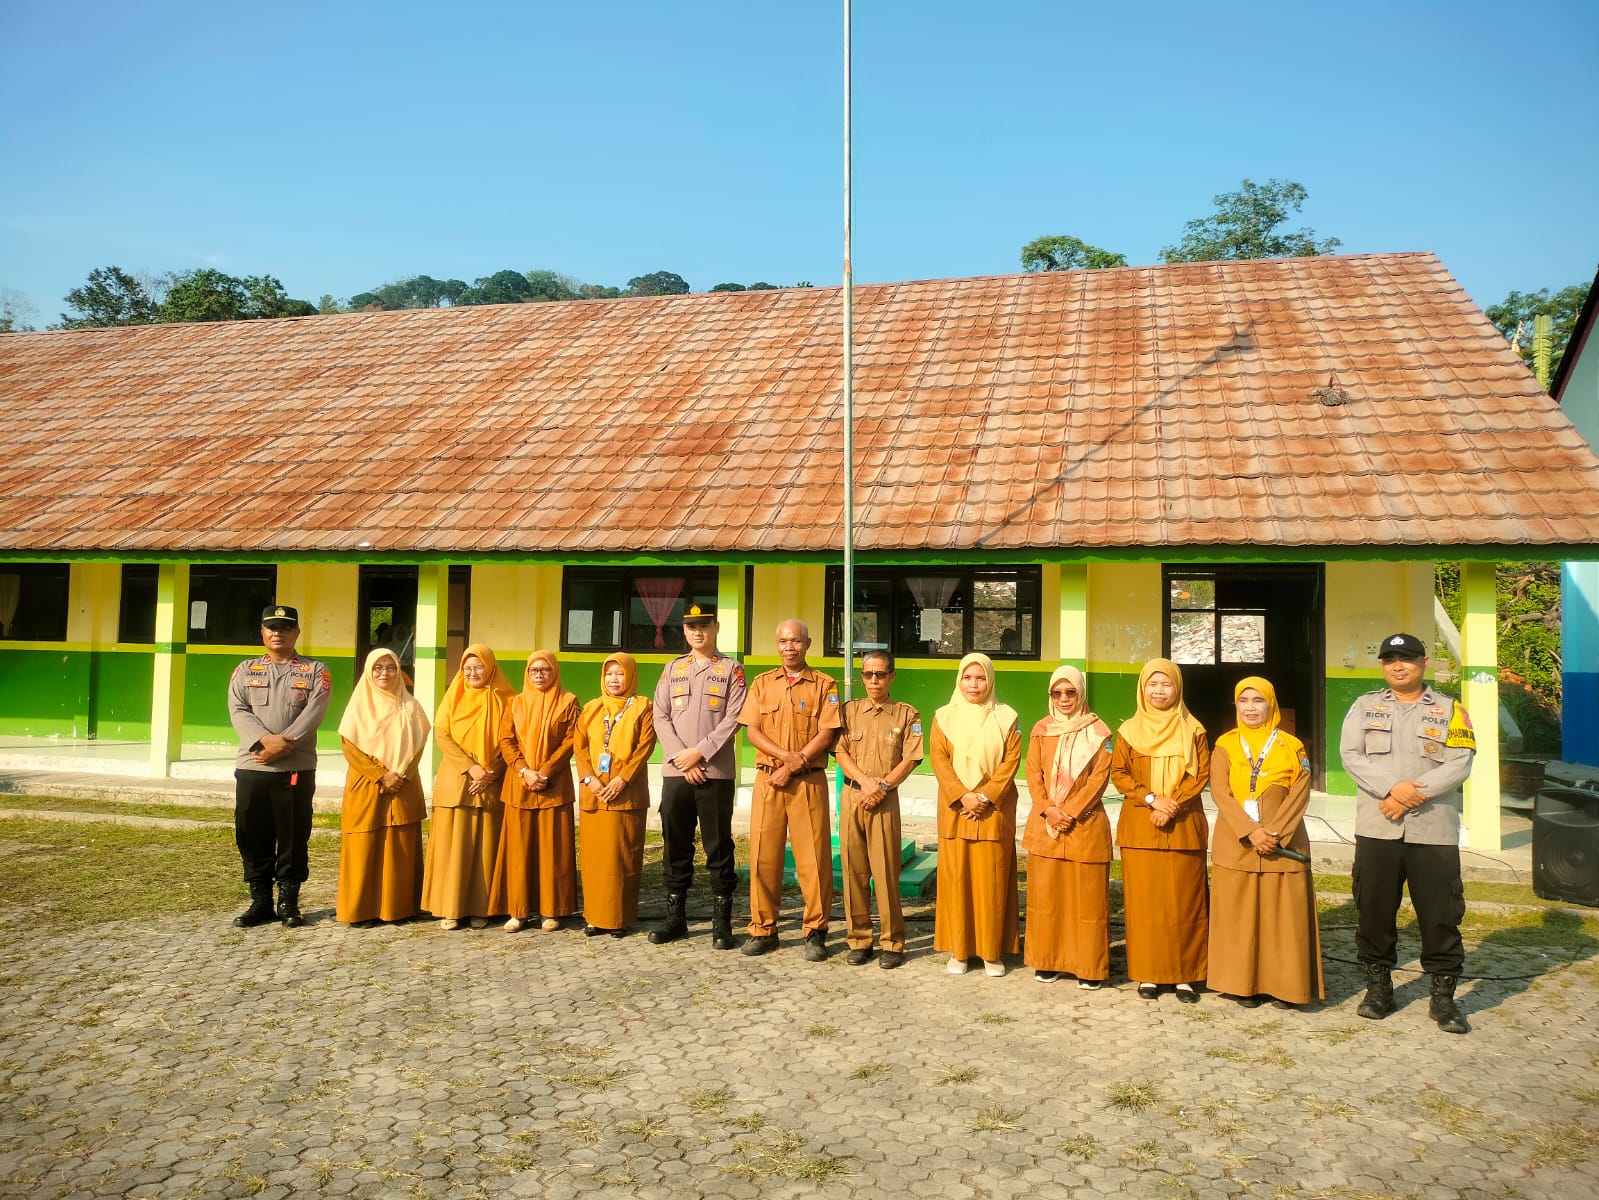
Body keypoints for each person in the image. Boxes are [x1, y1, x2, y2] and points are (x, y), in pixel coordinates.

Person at [1340, 632, 1476, 1034]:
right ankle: (1379, 991)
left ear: (1424, 663)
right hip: (1377, 829)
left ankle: (1443, 1000)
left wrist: (1410, 796)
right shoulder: (1364, 707)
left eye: (1407, 658)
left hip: (1433, 831)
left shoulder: (1451, 710)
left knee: (1440, 916)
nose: (1398, 666)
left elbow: (1461, 762)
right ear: (1383, 665)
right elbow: (1351, 755)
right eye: (1390, 659)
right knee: (1374, 911)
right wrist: (1391, 789)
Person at [1208, 677, 1325, 1008]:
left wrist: (1274, 834)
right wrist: (1250, 831)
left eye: (1258, 700)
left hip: (1283, 844)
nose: (1250, 708)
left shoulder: (1292, 745)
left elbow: (1300, 793)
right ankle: (1240, 984)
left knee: (1282, 917)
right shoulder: (1226, 744)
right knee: (1238, 915)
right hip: (1237, 841)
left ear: (1271, 704)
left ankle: (1285, 986)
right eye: (1243, 701)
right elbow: (1220, 792)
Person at [738, 618, 842, 960]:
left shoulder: (825, 685)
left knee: (813, 859)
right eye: (783, 641)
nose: (789, 647)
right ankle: (763, 929)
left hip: (808, 782)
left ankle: (815, 931)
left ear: (808, 644)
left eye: (796, 641)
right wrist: (785, 760)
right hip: (769, 780)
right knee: (762, 857)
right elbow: (752, 731)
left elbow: (826, 734)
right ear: (776, 644)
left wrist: (795, 765)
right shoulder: (762, 683)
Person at [1112, 657, 1211, 1002]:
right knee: (1145, 906)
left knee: (1185, 904)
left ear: (1177, 688)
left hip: (1182, 827)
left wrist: (1171, 805)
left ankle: (1185, 976)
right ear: (1142, 688)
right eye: (1152, 684)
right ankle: (1148, 974)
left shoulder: (1194, 730)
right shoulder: (1128, 731)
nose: (1159, 691)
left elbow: (1200, 774)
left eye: (1166, 684)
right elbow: (1119, 773)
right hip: (1141, 827)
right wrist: (1152, 800)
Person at [227, 604, 332, 929]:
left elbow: (314, 712)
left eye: (285, 627)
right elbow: (238, 709)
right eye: (272, 627)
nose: (278, 633)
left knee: (293, 835)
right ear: (262, 632)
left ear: (296, 632)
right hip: (253, 765)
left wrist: (283, 745)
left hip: (295, 767)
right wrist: (263, 742)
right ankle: (260, 901)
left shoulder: (315, 671)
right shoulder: (245, 670)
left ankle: (288, 902)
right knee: (251, 834)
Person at [649, 603, 747, 948]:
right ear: (685, 630)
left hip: (715, 773)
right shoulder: (672, 668)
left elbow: (734, 718)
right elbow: (659, 716)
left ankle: (722, 923)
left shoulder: (732, 669)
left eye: (704, 625)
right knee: (675, 844)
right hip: (677, 771)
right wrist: (683, 758)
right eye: (691, 627)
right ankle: (675, 919)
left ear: (716, 627)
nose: (698, 632)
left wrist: (700, 753)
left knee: (718, 845)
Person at [929, 652, 1022, 977]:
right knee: (957, 881)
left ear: (990, 680)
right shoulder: (943, 717)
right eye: (967, 678)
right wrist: (963, 795)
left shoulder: (1007, 718)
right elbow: (939, 760)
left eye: (980, 678)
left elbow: (1011, 762)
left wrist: (985, 795)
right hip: (957, 810)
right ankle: (959, 951)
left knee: (991, 882)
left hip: (993, 811)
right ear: (959, 680)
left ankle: (991, 952)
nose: (973, 684)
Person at [1021, 665, 1113, 987]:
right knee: (1047, 898)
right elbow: (1032, 773)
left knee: (1086, 900)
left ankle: (1088, 966)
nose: (1063, 698)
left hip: (1084, 825)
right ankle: (1047, 961)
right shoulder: (1041, 730)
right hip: (1045, 825)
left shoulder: (1099, 732)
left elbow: (1099, 778)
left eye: (1070, 692)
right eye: (1057, 693)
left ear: (1081, 693)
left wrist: (1069, 812)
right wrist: (1049, 809)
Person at [833, 650, 924, 969]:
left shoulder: (906, 715)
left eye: (880, 674)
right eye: (868, 674)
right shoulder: (848, 712)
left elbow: (911, 758)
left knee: (885, 873)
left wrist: (881, 788)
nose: (874, 680)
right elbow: (840, 752)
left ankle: (892, 942)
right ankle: (859, 940)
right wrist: (864, 783)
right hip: (853, 796)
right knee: (853, 872)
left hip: (885, 800)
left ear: (891, 677)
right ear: (862, 677)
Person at [421, 645, 515, 931]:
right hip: (456, 777)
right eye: (467, 668)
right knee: (453, 844)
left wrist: (490, 770)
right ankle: (450, 908)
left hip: (491, 779)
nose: (473, 673)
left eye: (479, 667)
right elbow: (442, 734)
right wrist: (470, 767)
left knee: (486, 845)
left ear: (491, 667)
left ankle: (482, 907)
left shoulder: (507, 699)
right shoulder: (454, 696)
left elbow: (512, 739)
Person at [335, 648, 431, 925]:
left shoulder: (410, 706)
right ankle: (360, 910)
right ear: (368, 671)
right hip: (367, 783)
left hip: (403, 784)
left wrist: (400, 775)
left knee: (399, 846)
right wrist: (380, 775)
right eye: (378, 668)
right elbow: (350, 748)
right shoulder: (358, 706)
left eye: (390, 667)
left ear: (399, 671)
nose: (384, 673)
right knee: (363, 842)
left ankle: (398, 908)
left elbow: (418, 747)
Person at [491, 651, 580, 933]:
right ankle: (517, 911)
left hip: (554, 786)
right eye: (533, 670)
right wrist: (524, 771)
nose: (539, 675)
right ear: (527, 673)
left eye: (545, 670)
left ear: (555, 672)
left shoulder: (568, 702)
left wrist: (546, 771)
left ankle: (550, 911)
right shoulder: (515, 703)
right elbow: (506, 740)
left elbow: (571, 740)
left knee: (552, 851)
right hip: (520, 786)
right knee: (518, 851)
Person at [574, 652, 656, 937]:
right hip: (595, 795)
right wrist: (590, 779)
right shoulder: (592, 708)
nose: (614, 679)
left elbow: (645, 747)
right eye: (609, 674)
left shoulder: (644, 707)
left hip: (626, 795)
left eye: (620, 673)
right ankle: (594, 917)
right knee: (594, 860)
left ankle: (620, 919)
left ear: (630, 676)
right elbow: (579, 748)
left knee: (623, 859)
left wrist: (623, 779)